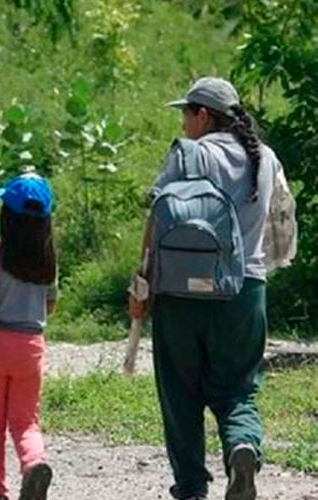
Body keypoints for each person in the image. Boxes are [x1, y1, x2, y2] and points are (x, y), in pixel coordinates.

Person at [129, 77, 288, 500]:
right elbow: (281, 227)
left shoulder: (189, 154)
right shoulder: (265, 159)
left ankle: (191, 486)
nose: (183, 123)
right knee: (238, 386)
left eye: (186, 113)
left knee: (180, 391)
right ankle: (242, 446)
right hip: (243, 290)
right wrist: (259, 271)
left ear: (203, 115)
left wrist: (141, 285)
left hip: (180, 294)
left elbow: (157, 219)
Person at [0, 173, 57, 500]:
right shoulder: (49, 260)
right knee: (25, 421)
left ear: (7, 215)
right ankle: (34, 465)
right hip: (31, 346)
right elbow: (51, 304)